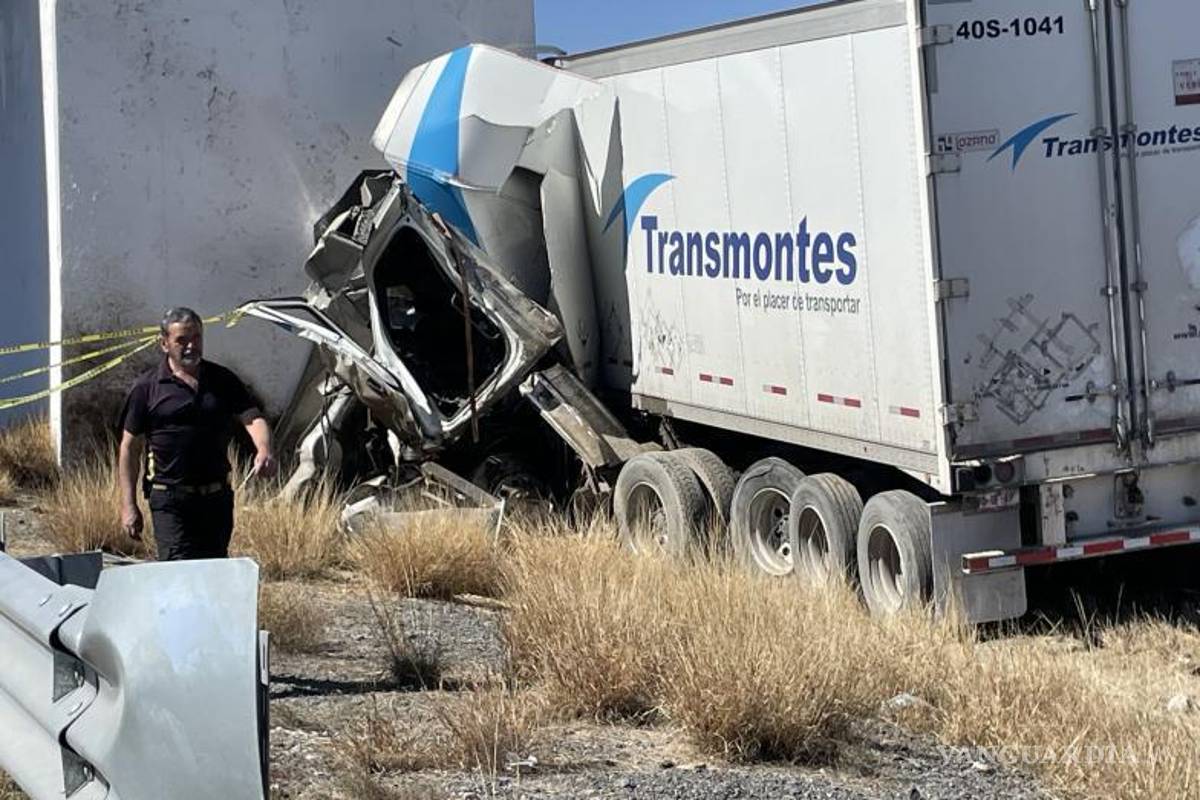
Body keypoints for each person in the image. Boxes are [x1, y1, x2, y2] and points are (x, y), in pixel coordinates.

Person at [118, 307, 276, 560]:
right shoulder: (146, 388)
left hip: (216, 499)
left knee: (213, 575)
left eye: (197, 338)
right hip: (169, 499)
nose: (191, 346)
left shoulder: (222, 379)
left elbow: (252, 417)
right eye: (182, 340)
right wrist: (128, 505)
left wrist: (264, 450)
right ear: (164, 343)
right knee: (178, 575)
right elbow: (129, 447)